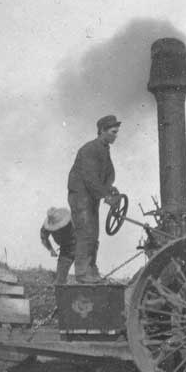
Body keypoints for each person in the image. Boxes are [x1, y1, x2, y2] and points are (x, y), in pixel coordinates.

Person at [67, 114, 121, 283]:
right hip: (81, 198)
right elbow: (90, 178)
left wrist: (110, 190)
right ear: (102, 131)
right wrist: (105, 194)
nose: (115, 136)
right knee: (85, 233)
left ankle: (91, 269)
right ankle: (82, 274)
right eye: (113, 132)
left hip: (91, 198)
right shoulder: (90, 149)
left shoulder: (104, 149)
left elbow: (107, 175)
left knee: (93, 234)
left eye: (117, 132)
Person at [39, 206, 75, 284]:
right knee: (60, 281)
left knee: (83, 275)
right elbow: (43, 237)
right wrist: (51, 249)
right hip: (65, 250)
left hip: (80, 246)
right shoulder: (46, 226)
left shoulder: (72, 220)